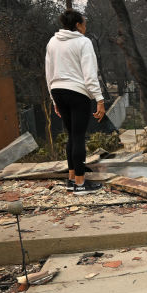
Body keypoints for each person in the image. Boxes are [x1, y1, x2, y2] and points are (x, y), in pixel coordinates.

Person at [45, 10, 106, 195]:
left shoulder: (53, 41)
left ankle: (72, 179)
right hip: (77, 92)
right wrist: (99, 99)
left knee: (71, 134)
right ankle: (80, 184)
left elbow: (49, 71)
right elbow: (89, 74)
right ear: (78, 25)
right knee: (78, 136)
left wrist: (53, 98)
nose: (85, 28)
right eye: (84, 24)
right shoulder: (83, 42)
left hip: (57, 90)